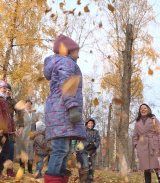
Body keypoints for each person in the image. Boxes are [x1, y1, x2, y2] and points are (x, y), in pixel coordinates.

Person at [43, 34, 86, 183]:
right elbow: (67, 86)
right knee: (60, 149)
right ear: (68, 51)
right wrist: (73, 107)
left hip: (59, 111)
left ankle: (60, 179)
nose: (78, 55)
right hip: (62, 110)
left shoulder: (63, 62)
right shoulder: (66, 62)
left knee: (64, 149)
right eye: (76, 51)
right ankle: (52, 179)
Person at [132, 104, 160, 183]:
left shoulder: (154, 119)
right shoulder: (137, 122)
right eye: (141, 108)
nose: (143, 110)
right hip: (142, 147)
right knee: (146, 168)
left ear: (148, 109)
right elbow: (135, 135)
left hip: (154, 145)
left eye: (145, 108)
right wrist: (136, 145)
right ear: (140, 111)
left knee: (157, 167)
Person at [5, 83, 22, 177]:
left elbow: (20, 111)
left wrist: (21, 125)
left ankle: (9, 170)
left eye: (9, 90)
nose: (7, 91)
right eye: (6, 89)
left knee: (11, 148)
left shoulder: (12, 101)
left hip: (10, 129)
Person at [18, 100, 37, 174]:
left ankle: (30, 170)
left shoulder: (34, 115)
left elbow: (35, 126)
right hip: (23, 136)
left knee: (30, 153)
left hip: (31, 137)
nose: (28, 105)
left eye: (29, 104)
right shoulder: (21, 114)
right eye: (27, 104)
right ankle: (22, 169)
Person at [79, 118, 101, 183]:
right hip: (84, 151)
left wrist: (95, 145)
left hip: (93, 152)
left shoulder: (96, 132)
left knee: (92, 166)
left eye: (92, 123)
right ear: (86, 124)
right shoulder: (83, 131)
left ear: (93, 124)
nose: (90, 125)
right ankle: (86, 180)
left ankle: (91, 178)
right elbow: (82, 140)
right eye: (89, 123)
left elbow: (98, 140)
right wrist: (88, 145)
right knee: (86, 165)